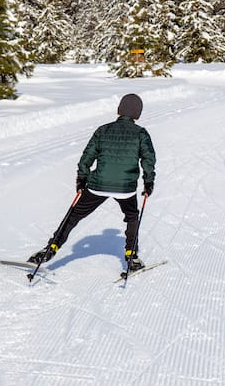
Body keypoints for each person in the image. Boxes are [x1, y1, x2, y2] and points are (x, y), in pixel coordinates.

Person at [28, 93, 156, 271]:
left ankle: (51, 248)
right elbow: (148, 160)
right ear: (137, 115)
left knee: (73, 216)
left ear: (118, 110)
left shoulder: (102, 130)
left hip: (98, 185)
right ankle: (131, 256)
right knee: (132, 217)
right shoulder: (141, 133)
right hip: (125, 188)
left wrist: (82, 178)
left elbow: (87, 157)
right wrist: (148, 183)